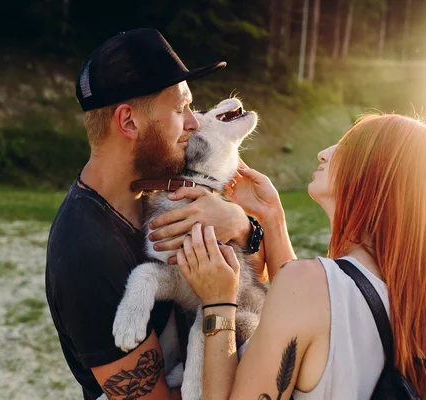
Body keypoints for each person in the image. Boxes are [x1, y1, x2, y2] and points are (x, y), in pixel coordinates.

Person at [171, 114, 426, 399]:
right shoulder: (410, 301)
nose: (324, 152)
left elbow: (305, 298)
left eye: (346, 147)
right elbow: (310, 315)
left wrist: (218, 304)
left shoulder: (311, 286)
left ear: (376, 178)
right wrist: (271, 218)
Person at [45, 28, 263, 400]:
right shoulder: (86, 251)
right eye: (180, 110)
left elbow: (255, 282)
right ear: (129, 123)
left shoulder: (158, 192)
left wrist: (242, 226)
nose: (193, 123)